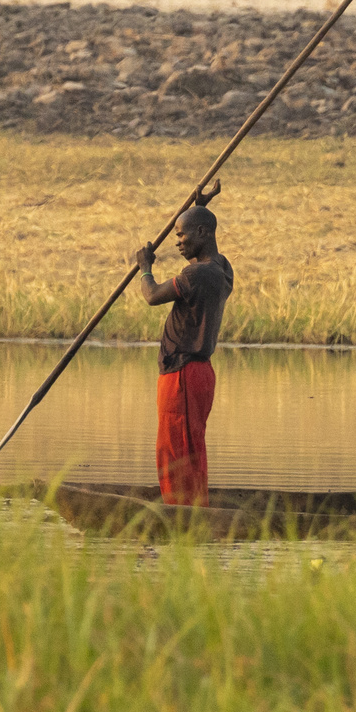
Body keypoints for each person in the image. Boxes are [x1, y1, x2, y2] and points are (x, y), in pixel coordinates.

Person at [135, 181, 232, 506]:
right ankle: (193, 508)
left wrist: (145, 268)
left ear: (203, 232)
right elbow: (204, 232)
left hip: (183, 375)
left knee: (174, 450)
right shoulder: (223, 268)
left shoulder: (198, 275)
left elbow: (151, 296)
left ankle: (180, 514)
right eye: (175, 235)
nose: (177, 242)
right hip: (199, 374)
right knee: (190, 447)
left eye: (182, 235)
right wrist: (198, 204)